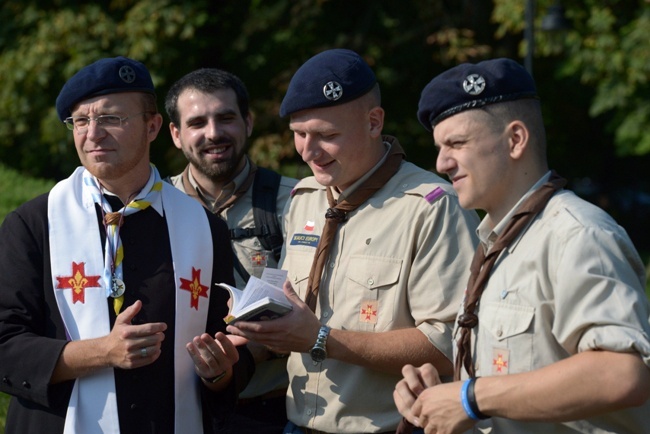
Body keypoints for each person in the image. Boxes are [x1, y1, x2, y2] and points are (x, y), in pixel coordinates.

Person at [227, 48, 480, 434]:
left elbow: (450, 345)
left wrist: (322, 339)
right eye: (299, 134)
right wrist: (249, 340)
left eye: (327, 136)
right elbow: (296, 315)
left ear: (374, 122)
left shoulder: (432, 207)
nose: (308, 151)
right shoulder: (305, 197)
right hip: (296, 423)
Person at [393, 58, 650, 434]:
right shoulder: (498, 242)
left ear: (515, 140)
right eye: (439, 147)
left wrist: (472, 398)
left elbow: (622, 373)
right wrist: (443, 395)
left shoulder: (576, 235)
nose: (442, 162)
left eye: (457, 143)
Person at [0, 56, 254, 434]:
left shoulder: (203, 226)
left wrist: (220, 371)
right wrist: (103, 352)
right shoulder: (35, 223)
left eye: (111, 119)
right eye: (81, 121)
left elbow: (229, 342)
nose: (93, 134)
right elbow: (5, 344)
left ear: (153, 127)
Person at [165, 68, 298, 433]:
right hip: (180, 413)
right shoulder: (154, 209)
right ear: (176, 135)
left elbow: (320, 307)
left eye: (225, 118)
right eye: (197, 123)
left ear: (248, 122)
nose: (213, 133)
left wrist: (242, 360)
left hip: (272, 413)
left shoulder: (299, 202)